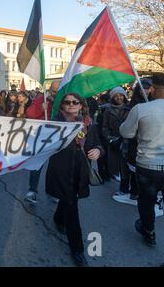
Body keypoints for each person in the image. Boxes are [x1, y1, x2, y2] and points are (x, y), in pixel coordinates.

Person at [46, 93, 103, 267]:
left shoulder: (89, 124)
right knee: (72, 205)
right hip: (62, 171)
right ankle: (77, 249)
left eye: (75, 102)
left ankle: (58, 218)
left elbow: (98, 144)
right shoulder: (55, 124)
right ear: (62, 106)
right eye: (67, 102)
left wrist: (99, 151)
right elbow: (43, 144)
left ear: (81, 105)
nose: (71, 105)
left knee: (69, 199)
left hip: (81, 171)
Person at [120, 75, 164, 247]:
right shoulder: (142, 108)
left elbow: (126, 133)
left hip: (148, 166)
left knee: (147, 201)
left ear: (153, 89)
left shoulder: (141, 109)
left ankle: (149, 231)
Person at [113, 79, 152, 205]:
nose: (144, 90)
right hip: (133, 143)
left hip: (151, 144)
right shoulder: (132, 106)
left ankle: (147, 197)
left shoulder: (154, 104)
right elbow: (127, 128)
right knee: (132, 168)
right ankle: (134, 192)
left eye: (147, 87)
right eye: (142, 87)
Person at [24, 80, 60, 204]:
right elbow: (30, 113)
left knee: (56, 167)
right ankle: (32, 191)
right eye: (54, 91)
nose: (56, 94)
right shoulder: (41, 99)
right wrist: (41, 107)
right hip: (41, 138)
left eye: (58, 91)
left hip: (57, 138)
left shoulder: (64, 100)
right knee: (37, 164)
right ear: (49, 90)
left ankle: (53, 192)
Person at [102, 87, 128, 183]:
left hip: (126, 139)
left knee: (125, 159)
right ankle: (116, 173)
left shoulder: (129, 109)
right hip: (114, 138)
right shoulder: (108, 110)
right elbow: (104, 126)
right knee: (114, 158)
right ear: (112, 98)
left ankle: (124, 176)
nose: (119, 98)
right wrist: (109, 138)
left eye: (121, 95)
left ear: (124, 96)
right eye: (116, 96)